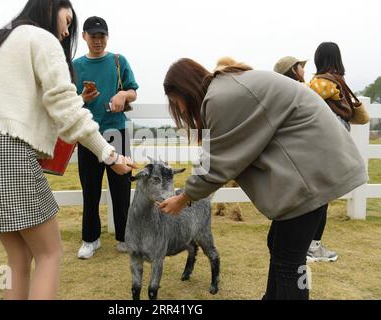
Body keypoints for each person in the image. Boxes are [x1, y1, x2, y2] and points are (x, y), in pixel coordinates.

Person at [0, 0, 136, 300]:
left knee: (19, 258)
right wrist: (111, 155)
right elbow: (67, 109)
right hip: (8, 155)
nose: (66, 32)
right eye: (68, 21)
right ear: (50, 6)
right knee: (51, 253)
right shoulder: (40, 38)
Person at [157, 58, 367, 300]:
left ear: (185, 90)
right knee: (280, 245)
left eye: (177, 102)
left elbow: (215, 164)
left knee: (289, 259)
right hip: (316, 165)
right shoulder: (228, 86)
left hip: (310, 173)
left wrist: (183, 198)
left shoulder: (220, 98)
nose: (181, 110)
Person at [73, 16, 139, 259]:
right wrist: (83, 98)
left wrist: (123, 94)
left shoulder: (119, 61)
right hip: (87, 134)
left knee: (121, 189)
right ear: (84, 37)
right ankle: (91, 239)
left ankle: (125, 237)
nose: (98, 41)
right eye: (93, 36)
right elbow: (68, 102)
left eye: (102, 36)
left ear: (107, 37)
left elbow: (133, 91)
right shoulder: (75, 66)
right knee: (90, 190)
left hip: (116, 133)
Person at [274, 56, 339, 263]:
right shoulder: (302, 92)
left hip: (299, 159)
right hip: (308, 159)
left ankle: (309, 246)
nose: (304, 69)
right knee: (317, 202)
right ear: (293, 70)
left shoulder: (282, 93)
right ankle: (311, 247)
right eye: (301, 66)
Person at [310, 42, 352, 132]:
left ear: (319, 59)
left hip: (334, 125)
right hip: (341, 123)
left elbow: (309, 95)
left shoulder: (325, 81)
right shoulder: (337, 76)